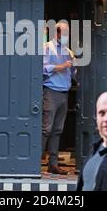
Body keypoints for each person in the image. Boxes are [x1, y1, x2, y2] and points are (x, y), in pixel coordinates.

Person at [42, 22, 76, 175]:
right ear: (56, 33)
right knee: (46, 129)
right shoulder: (47, 48)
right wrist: (62, 66)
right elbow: (43, 68)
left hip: (64, 93)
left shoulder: (68, 51)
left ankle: (53, 164)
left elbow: (73, 72)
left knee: (57, 130)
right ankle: (33, 163)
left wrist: (75, 68)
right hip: (51, 92)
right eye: (65, 33)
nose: (67, 36)